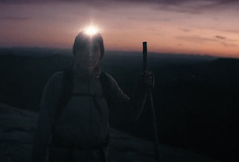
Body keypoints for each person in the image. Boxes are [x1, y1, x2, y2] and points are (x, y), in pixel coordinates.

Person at [31, 31, 154, 162]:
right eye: (83, 48)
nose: (89, 54)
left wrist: (142, 87)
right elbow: (43, 128)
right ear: (75, 51)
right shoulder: (59, 82)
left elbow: (130, 113)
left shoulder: (106, 83)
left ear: (101, 54)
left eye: (95, 49)